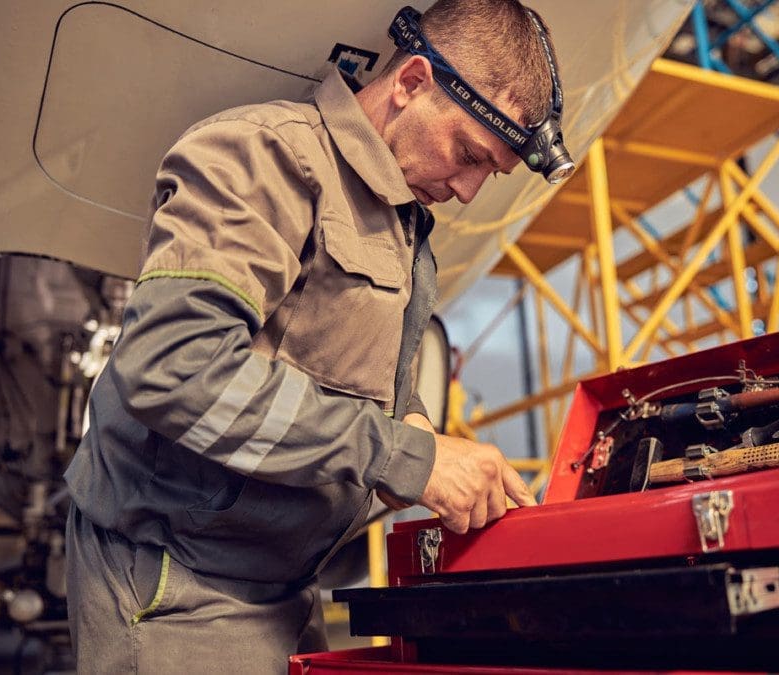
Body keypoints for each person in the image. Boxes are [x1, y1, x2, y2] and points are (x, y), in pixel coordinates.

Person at [63, 0, 570, 671]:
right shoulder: (266, 154)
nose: (471, 189)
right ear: (412, 82)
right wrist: (401, 457)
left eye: (490, 171)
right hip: (180, 582)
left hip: (286, 587)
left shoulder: (403, 225)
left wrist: (424, 443)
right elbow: (172, 368)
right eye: (470, 154)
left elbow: (369, 391)